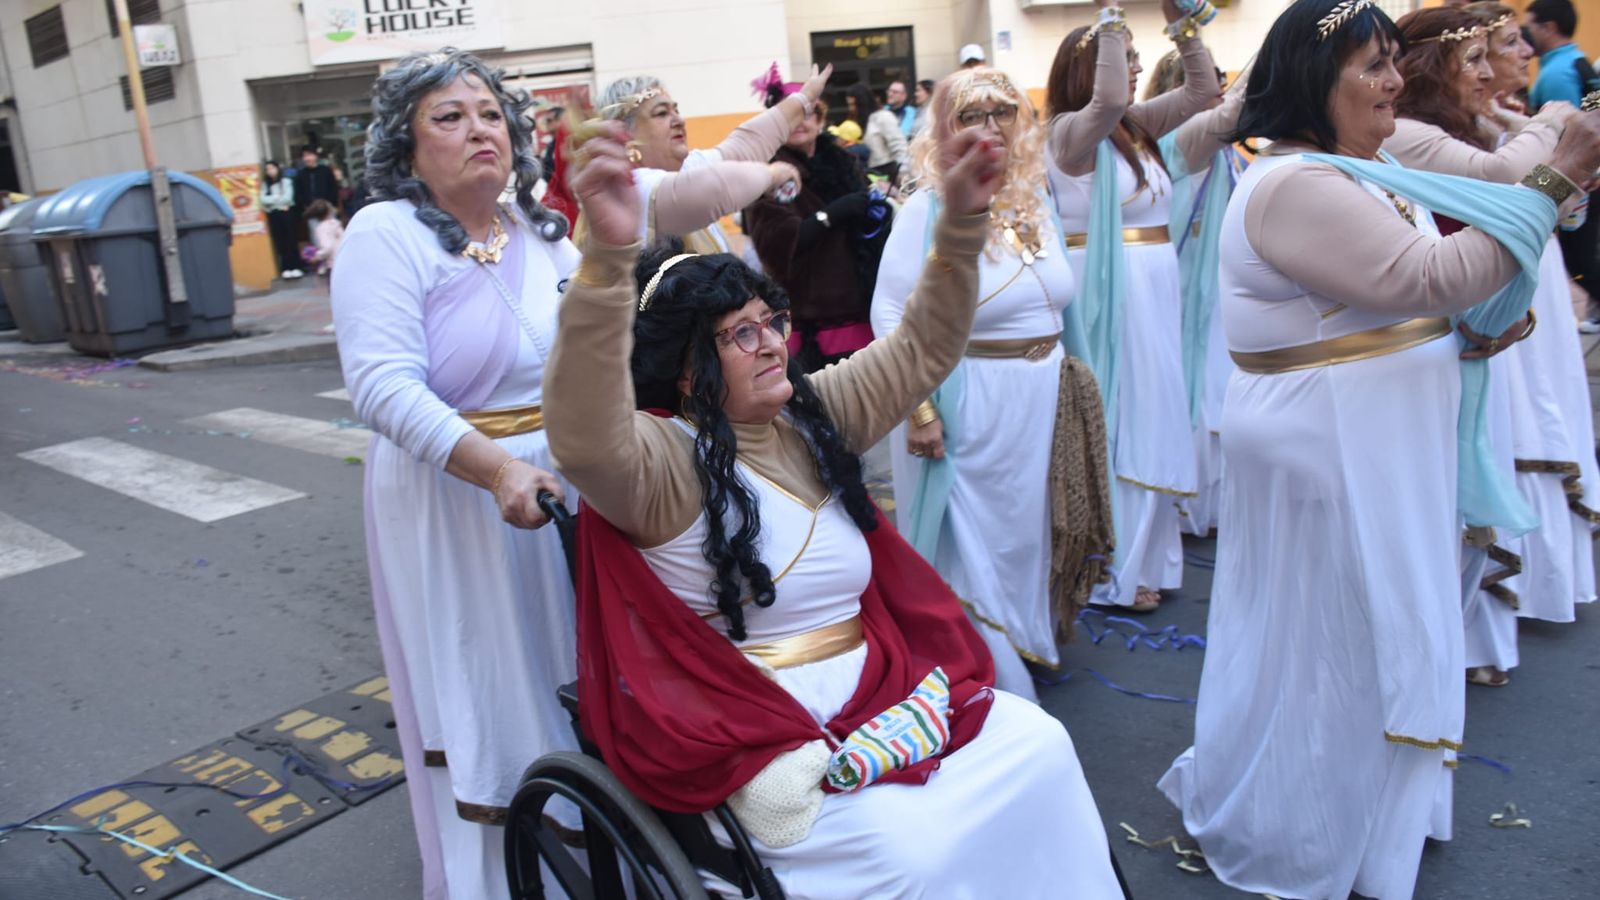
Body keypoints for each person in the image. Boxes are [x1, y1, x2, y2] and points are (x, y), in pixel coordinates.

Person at [547, 108, 1126, 900]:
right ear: (686, 370)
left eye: (770, 322)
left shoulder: (812, 412)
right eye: (739, 335)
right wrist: (608, 261)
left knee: (1042, 747)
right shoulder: (658, 461)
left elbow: (922, 345)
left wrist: (960, 223)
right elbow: (581, 436)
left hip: (884, 692)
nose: (772, 343)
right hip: (753, 727)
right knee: (916, 853)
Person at [1156, 3, 1600, 898]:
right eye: (1372, 67)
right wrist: (1556, 179)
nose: (1395, 82)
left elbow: (1405, 302)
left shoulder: (1364, 165)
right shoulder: (1293, 183)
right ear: (1312, 84)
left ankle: (1375, 835)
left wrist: (1462, 333)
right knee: (1340, 642)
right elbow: (1421, 276)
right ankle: (1305, 832)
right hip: (1332, 444)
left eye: (1397, 63)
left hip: (1379, 436)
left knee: (1383, 627)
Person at [330, 48, 581, 900]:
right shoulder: (384, 235)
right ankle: (500, 876)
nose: (480, 128)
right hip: (459, 491)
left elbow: (601, 349)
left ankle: (591, 836)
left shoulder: (542, 231)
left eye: (489, 113)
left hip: (562, 482)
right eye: (449, 116)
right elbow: (381, 385)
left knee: (571, 667)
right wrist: (499, 467)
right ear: (406, 148)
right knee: (489, 681)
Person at [872, 67, 1111, 701]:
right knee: (972, 543)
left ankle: (1026, 638)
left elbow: (1063, 310)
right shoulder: (927, 206)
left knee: (1027, 532)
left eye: (1002, 112)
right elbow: (890, 314)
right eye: (970, 116)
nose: (988, 128)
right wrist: (919, 408)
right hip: (972, 400)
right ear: (945, 130)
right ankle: (988, 667)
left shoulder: (1035, 198)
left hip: (1041, 400)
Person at [1387, 6, 1598, 681]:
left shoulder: (1473, 125)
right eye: (1474, 57)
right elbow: (1511, 177)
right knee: (1458, 475)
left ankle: (1478, 637)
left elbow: (1555, 196)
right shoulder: (1412, 132)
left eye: (1491, 54)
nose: (1488, 71)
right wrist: (1556, 118)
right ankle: (1452, 646)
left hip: (1498, 301)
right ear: (1433, 65)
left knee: (1489, 457)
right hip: (1454, 312)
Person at [1045, 0, 1223, 612]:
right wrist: (1114, 18)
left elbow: (1204, 90)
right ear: (1087, 73)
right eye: (1122, 61)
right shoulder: (1070, 133)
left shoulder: (1134, 129)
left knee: (1154, 411)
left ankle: (1149, 558)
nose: (1135, 68)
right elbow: (1109, 99)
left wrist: (1184, 25)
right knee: (1121, 420)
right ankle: (1110, 572)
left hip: (1154, 285)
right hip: (1108, 291)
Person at [590, 68, 825, 253]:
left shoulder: (683, 170)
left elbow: (743, 146)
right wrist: (771, 174)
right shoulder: (627, 188)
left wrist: (805, 99)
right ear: (624, 133)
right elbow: (715, 188)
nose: (678, 120)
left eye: (676, 110)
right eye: (662, 113)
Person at [745, 85, 890, 372]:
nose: (800, 122)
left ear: (821, 120)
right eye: (791, 115)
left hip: (861, 311)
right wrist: (833, 213)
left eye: (808, 113)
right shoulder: (768, 174)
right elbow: (778, 245)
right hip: (810, 323)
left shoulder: (844, 163)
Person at [1526, 0, 1591, 110]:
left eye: (1529, 29)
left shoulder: (1556, 73)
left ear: (1548, 28)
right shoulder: (1577, 59)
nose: (1525, 36)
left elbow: (1564, 126)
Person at [845, 83, 909, 184]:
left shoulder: (883, 117)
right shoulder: (859, 121)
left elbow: (899, 145)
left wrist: (903, 171)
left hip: (887, 172)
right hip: (868, 173)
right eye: (849, 105)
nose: (851, 109)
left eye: (853, 105)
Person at [259, 160, 302, 279]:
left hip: (287, 214)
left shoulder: (286, 181)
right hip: (274, 215)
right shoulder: (265, 185)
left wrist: (272, 200)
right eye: (267, 169)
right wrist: (278, 198)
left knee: (291, 239)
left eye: (272, 168)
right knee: (280, 241)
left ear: (278, 169)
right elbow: (263, 200)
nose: (270, 171)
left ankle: (296, 266)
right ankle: (285, 268)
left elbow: (288, 198)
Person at [291, 145, 339, 239]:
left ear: (316, 156)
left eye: (309, 155)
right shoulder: (300, 175)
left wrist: (330, 204)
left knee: (332, 235)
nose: (307, 158)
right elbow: (298, 194)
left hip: (327, 208)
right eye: (304, 156)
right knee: (316, 237)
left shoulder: (325, 171)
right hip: (311, 211)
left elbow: (333, 188)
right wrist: (305, 206)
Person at [303, 198, 345, 276]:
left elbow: (327, 247)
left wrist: (316, 257)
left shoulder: (322, 228)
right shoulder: (336, 224)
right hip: (344, 261)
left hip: (333, 264)